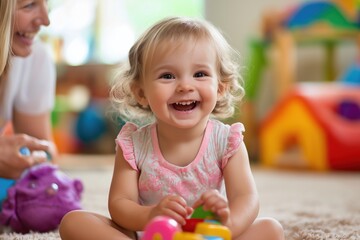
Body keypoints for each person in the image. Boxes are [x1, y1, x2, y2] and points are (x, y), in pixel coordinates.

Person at [60, 16, 284, 240]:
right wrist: (150, 215)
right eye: (167, 76)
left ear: (220, 88)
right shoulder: (134, 144)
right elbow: (120, 204)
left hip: (208, 235)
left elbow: (246, 198)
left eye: (200, 74)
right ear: (141, 93)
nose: (185, 86)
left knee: (271, 229)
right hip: (152, 235)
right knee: (74, 222)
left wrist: (228, 223)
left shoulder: (227, 141)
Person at [0, 0, 57, 206]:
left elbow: (44, 150)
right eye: (29, 5)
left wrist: (35, 157)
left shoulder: (35, 57)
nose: (46, 20)